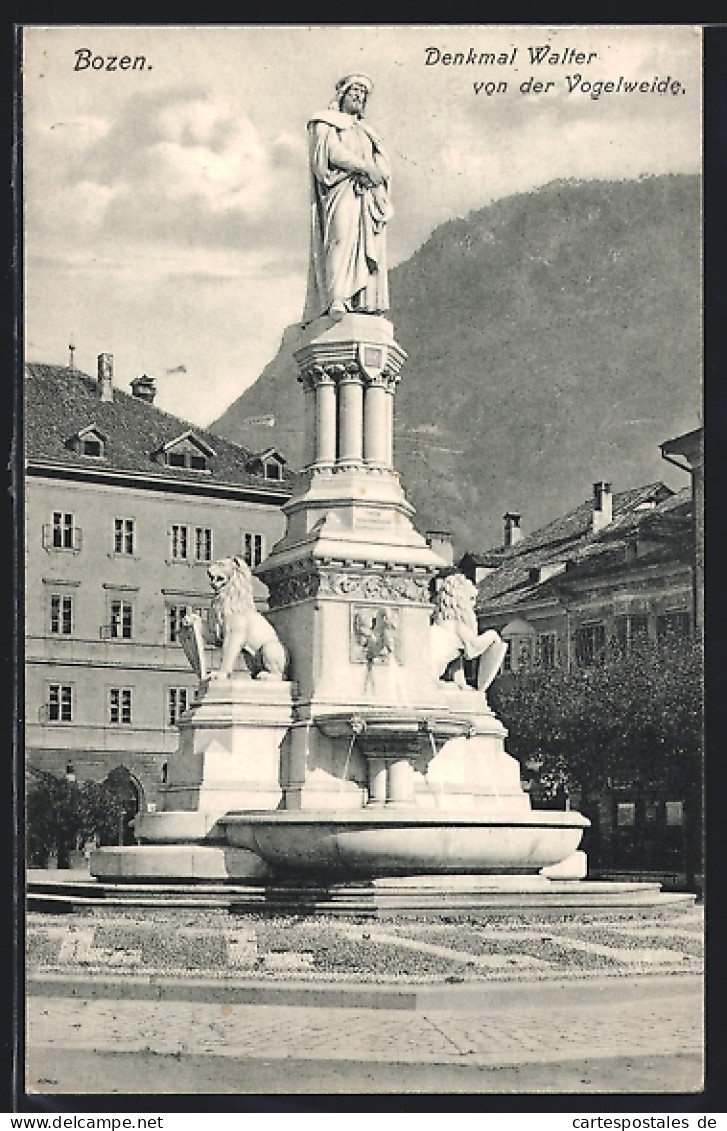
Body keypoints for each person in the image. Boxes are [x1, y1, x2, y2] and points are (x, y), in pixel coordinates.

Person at [302, 73, 393, 324]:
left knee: (366, 247)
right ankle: (337, 298)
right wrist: (363, 167)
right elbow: (331, 151)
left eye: (364, 95)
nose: (359, 97)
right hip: (340, 190)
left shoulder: (366, 132)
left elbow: (383, 163)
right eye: (355, 92)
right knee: (340, 238)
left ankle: (363, 301)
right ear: (342, 94)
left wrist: (377, 173)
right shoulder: (325, 123)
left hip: (366, 195)